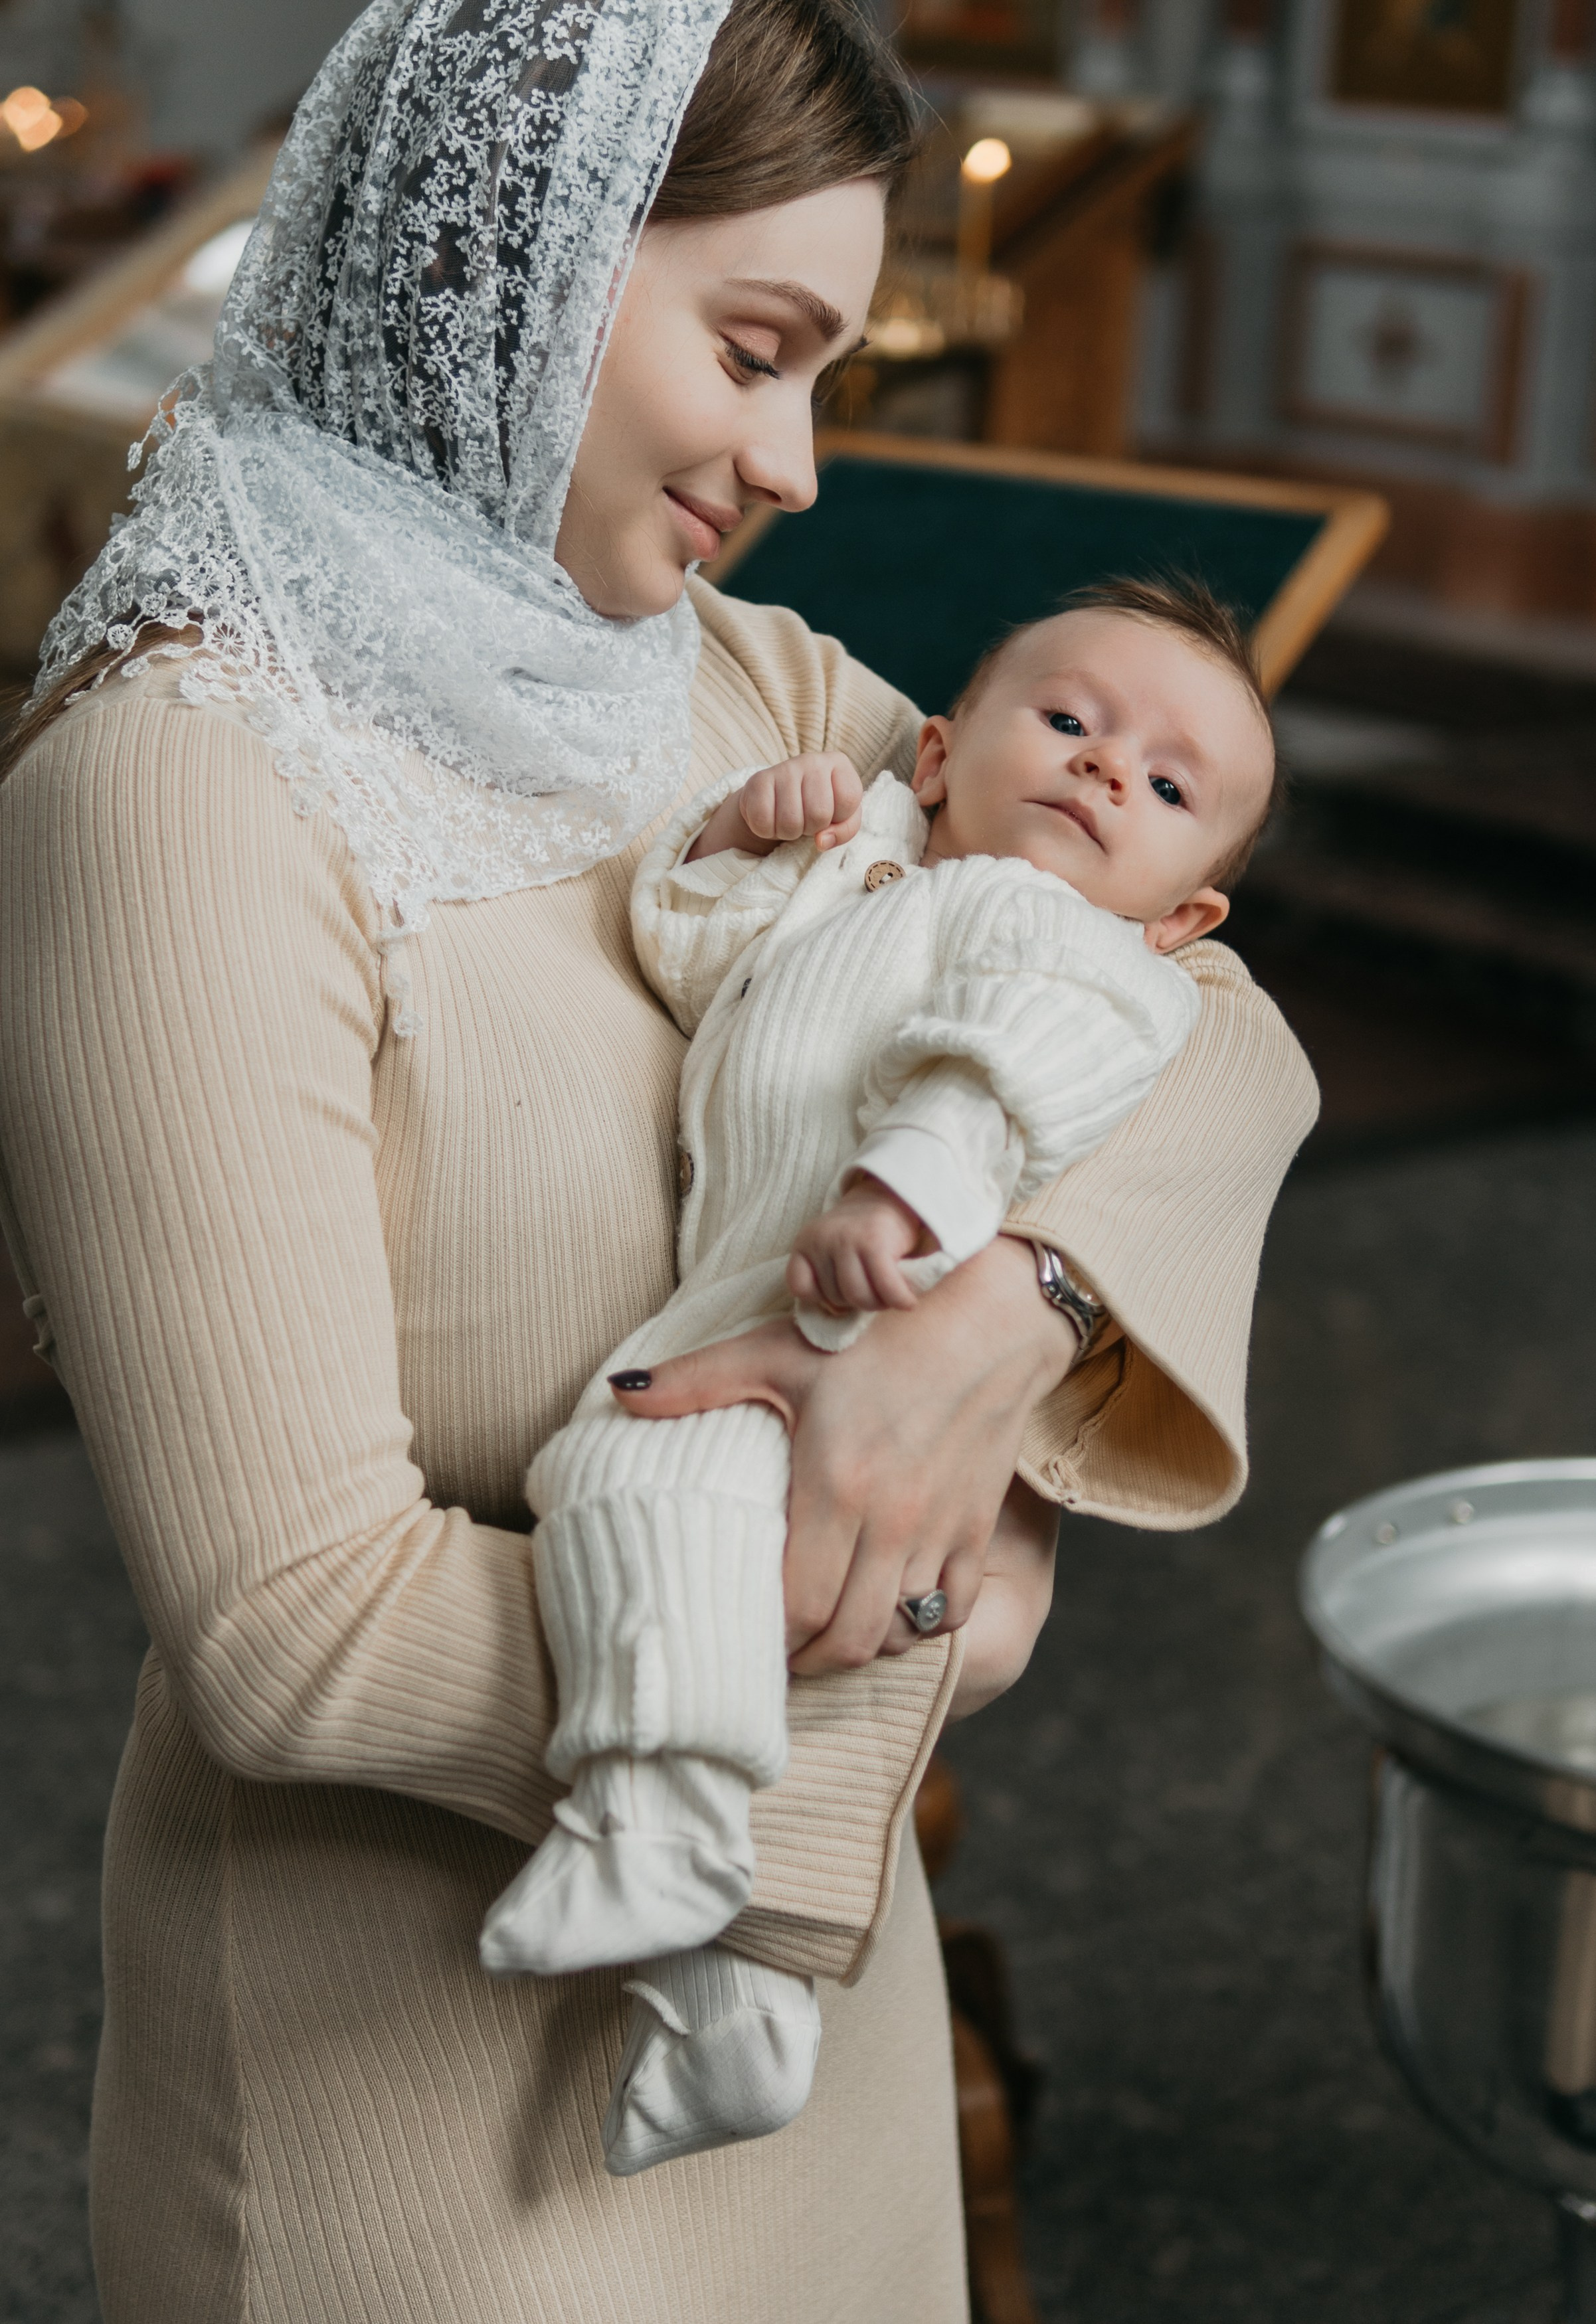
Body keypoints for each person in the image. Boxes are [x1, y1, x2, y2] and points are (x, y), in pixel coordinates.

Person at [0, 0, 1317, 2315]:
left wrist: (1012, 1319)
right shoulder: (174, 798)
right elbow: (293, 1636)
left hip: (820, 2038)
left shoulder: (738, 687)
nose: (800, 460)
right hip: (410, 2112)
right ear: (519, 252)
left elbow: (1203, 1016)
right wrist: (924, 1644)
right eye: (756, 345)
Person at [482, 581, 1282, 2181]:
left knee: (633, 1487)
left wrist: (906, 1192)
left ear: (1185, 919)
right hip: (745, 1300)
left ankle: (655, 1817)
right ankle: (734, 2003)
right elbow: (698, 965)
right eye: (1068, 720)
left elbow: (1009, 1059)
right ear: (932, 754)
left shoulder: (1065, 941)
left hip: (860, 1298)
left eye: (1169, 786)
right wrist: (738, 845)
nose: (1108, 768)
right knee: (629, 1502)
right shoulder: (856, 879)